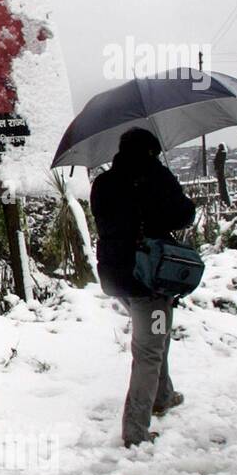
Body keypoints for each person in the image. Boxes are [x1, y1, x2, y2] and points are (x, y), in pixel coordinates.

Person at [90, 127, 196, 447]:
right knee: (149, 350)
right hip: (149, 279)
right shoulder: (155, 177)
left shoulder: (103, 183)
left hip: (115, 278)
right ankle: (135, 431)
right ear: (151, 152)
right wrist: (163, 181)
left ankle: (162, 395)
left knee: (156, 335)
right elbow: (183, 215)